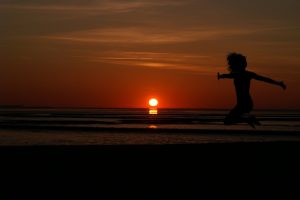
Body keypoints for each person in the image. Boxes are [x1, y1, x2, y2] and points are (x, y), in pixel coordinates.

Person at [218, 52, 286, 127]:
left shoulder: (245, 74)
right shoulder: (237, 74)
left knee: (227, 121)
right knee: (227, 121)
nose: (245, 64)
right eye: (244, 62)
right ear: (238, 64)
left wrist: (278, 83)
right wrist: (221, 76)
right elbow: (228, 75)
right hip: (243, 104)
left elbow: (264, 79)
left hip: (245, 104)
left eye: (245, 62)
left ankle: (248, 120)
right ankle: (249, 120)